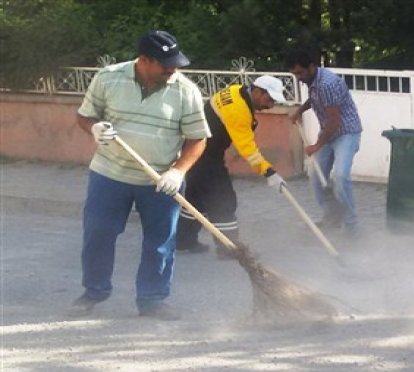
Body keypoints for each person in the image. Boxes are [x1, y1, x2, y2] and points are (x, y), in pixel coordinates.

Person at [71, 30, 210, 320]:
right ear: (144, 60)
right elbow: (85, 116)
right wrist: (94, 128)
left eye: (175, 63)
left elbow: (198, 139)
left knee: (160, 242)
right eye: (165, 64)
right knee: (98, 234)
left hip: (160, 181)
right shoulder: (108, 78)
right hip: (109, 174)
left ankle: (152, 299)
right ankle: (94, 291)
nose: (173, 69)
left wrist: (178, 171)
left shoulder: (186, 91)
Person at [176, 75, 288, 258]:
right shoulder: (238, 110)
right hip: (204, 154)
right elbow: (247, 149)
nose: (271, 105)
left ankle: (182, 241)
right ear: (258, 91)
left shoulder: (237, 90)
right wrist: (269, 172)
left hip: (194, 147)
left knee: (196, 200)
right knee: (223, 199)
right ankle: (229, 248)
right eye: (270, 99)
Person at [285, 48, 363, 236]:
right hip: (329, 132)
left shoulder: (327, 83)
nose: (297, 77)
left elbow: (334, 121)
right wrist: (300, 111)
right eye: (294, 73)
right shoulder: (313, 81)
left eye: (300, 73)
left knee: (341, 178)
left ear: (312, 67)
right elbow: (314, 99)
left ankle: (351, 224)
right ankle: (332, 216)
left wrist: (316, 146)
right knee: (315, 175)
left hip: (346, 133)